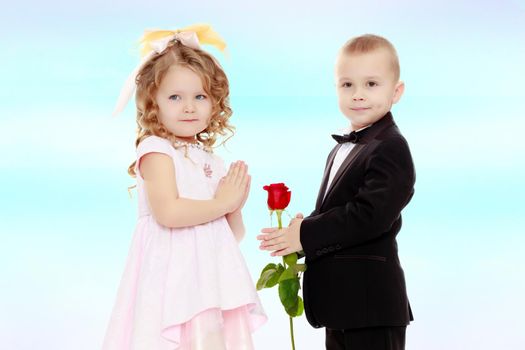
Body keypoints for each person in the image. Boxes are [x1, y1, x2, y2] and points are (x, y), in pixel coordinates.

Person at [103, 24, 266, 350]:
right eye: (175, 97)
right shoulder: (156, 150)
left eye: (200, 96)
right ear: (154, 102)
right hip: (172, 278)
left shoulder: (210, 159)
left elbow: (229, 236)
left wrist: (234, 206)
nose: (189, 106)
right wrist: (221, 204)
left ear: (214, 102)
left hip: (210, 280)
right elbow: (169, 212)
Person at [258, 34, 415, 350]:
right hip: (343, 305)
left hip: (371, 305)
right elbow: (339, 211)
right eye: (347, 85)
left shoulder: (391, 147)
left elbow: (369, 216)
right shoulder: (343, 147)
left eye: (371, 84)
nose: (358, 95)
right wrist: (298, 235)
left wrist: (309, 233)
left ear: (396, 92)